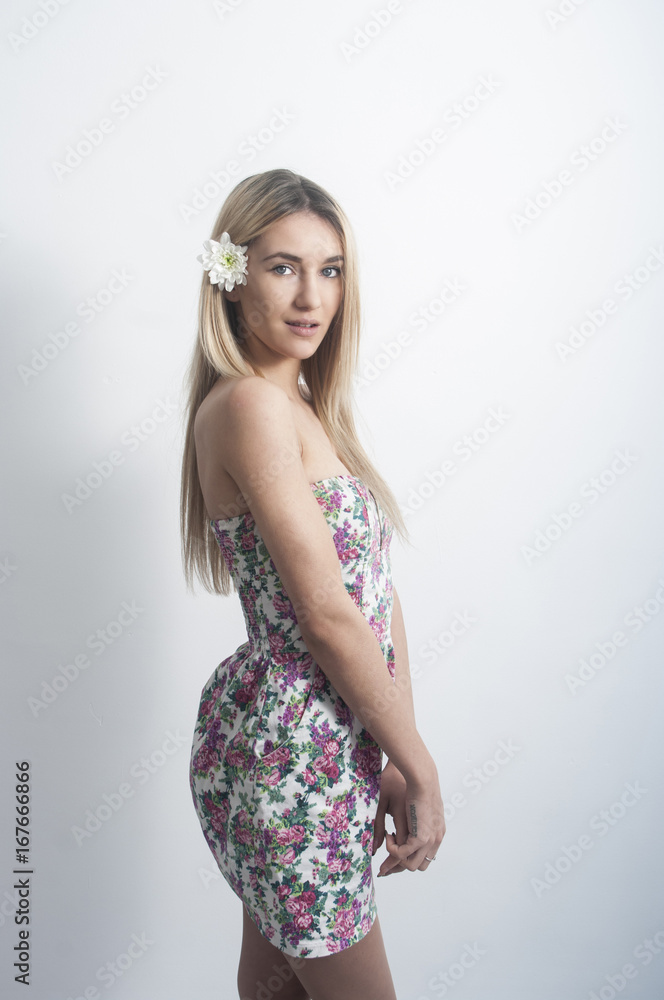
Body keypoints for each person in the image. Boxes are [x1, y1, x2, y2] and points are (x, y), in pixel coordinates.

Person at [181, 168, 445, 1000]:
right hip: (295, 746)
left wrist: (393, 748)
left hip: (330, 738)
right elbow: (327, 616)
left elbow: (375, 593)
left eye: (329, 269)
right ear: (232, 278)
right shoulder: (249, 406)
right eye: (283, 266)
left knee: (279, 994)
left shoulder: (305, 411)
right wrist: (423, 766)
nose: (311, 295)